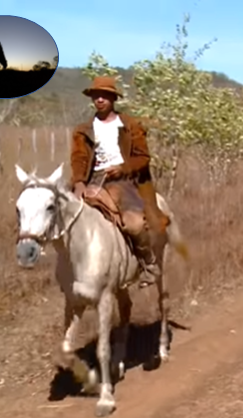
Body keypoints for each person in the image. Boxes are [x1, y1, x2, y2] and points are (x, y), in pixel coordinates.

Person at [70, 76, 165, 287]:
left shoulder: (130, 125)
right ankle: (71, 272)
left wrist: (123, 168)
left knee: (134, 225)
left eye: (105, 96)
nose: (100, 99)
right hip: (93, 180)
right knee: (62, 217)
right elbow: (79, 159)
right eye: (96, 96)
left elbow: (143, 157)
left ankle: (149, 264)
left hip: (123, 181)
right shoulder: (83, 130)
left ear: (113, 99)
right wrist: (78, 183)